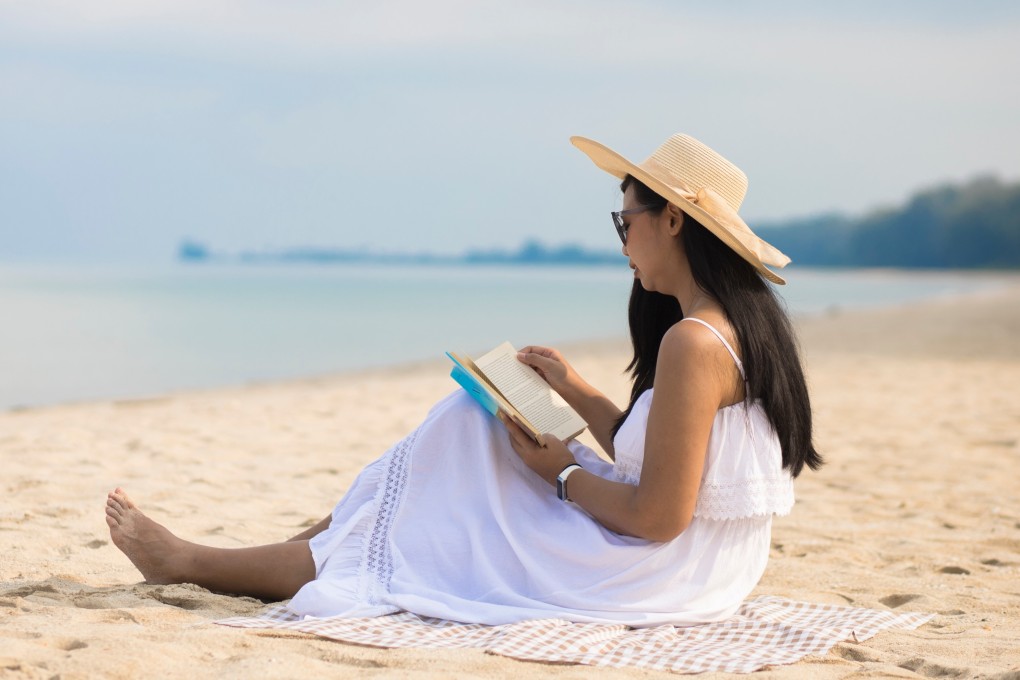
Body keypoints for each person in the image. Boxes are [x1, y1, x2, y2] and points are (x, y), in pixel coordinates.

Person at [105, 132, 822, 626]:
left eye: (624, 221)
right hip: (697, 569)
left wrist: (559, 475)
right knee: (467, 430)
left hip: (659, 572)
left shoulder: (693, 342)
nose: (622, 241)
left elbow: (660, 515)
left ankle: (199, 561)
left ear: (672, 221)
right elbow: (661, 452)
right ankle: (276, 553)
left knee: (458, 435)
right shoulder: (729, 331)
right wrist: (571, 386)